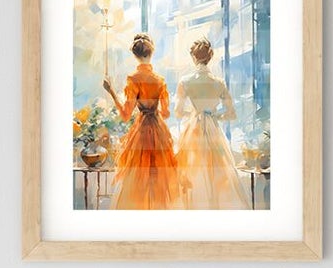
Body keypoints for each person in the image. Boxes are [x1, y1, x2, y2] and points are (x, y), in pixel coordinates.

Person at [102, 34, 180, 209]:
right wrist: (154, 107)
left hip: (141, 131)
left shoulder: (133, 79)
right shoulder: (160, 80)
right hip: (158, 130)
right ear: (151, 53)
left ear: (135, 55)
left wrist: (111, 92)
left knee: (138, 178)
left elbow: (125, 115)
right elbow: (166, 113)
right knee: (158, 178)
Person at [174, 39, 248, 209]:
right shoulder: (219, 82)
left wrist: (194, 113)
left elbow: (178, 112)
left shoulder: (185, 81)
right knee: (217, 171)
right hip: (213, 130)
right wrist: (215, 116)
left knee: (193, 171)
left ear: (194, 57)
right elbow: (231, 113)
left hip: (194, 129)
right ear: (210, 57)